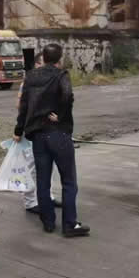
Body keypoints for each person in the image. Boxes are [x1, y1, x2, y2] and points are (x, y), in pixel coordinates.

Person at [14, 43, 90, 237]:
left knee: (42, 181)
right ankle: (69, 225)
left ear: (44, 58)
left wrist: (18, 130)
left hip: (38, 136)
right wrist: (61, 115)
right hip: (58, 134)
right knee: (69, 181)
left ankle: (48, 222)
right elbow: (68, 95)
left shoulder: (31, 77)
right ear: (59, 59)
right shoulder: (61, 75)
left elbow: (23, 106)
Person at [18, 53, 62, 215]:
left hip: (49, 131)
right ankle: (30, 202)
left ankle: (48, 197)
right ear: (37, 65)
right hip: (32, 131)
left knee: (49, 166)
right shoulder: (29, 83)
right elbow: (20, 107)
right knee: (32, 167)